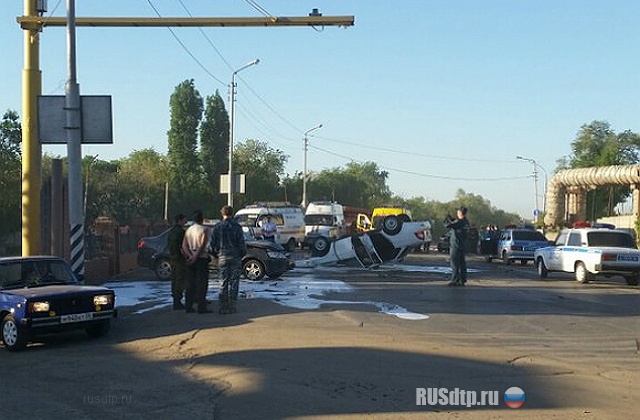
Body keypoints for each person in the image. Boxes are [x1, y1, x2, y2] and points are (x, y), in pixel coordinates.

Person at [211, 205, 247, 314]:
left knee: (223, 282)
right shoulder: (237, 227)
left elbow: (212, 245)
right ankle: (232, 306)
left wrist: (217, 254)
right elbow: (242, 244)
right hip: (235, 257)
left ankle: (223, 306)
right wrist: (241, 254)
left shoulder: (217, 227)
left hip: (222, 257)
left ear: (222, 214)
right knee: (234, 282)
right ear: (232, 213)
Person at [181, 210, 212, 313]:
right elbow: (203, 244)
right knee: (202, 283)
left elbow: (184, 246)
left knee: (190, 283)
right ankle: (201, 307)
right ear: (202, 220)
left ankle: (188, 306)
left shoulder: (188, 230)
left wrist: (190, 256)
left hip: (190, 258)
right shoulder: (204, 229)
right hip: (201, 258)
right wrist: (195, 256)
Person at [444, 206, 470, 287]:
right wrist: (452, 219)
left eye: (458, 212)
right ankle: (462, 280)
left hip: (456, 245)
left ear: (460, 212)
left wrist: (446, 219)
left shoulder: (460, 222)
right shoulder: (466, 222)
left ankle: (454, 280)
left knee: (454, 263)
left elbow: (448, 225)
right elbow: (455, 224)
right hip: (462, 244)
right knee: (462, 263)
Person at [167, 213, 187, 310]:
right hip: (180, 259)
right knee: (180, 280)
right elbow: (183, 246)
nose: (185, 222)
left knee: (174, 280)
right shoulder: (181, 232)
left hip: (173, 258)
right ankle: (177, 301)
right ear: (180, 220)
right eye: (184, 220)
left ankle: (175, 300)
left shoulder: (171, 231)